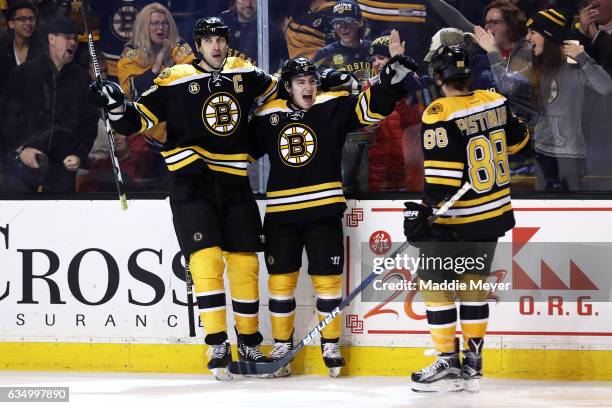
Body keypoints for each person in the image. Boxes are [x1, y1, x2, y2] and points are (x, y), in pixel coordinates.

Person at [90, 17, 279, 380]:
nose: (217, 46)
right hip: (192, 184)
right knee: (207, 264)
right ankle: (217, 342)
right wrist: (114, 103)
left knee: (245, 266)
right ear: (198, 45)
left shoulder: (246, 72)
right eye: (209, 40)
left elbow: (279, 95)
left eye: (221, 39)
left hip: (235, 182)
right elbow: (134, 120)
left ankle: (250, 342)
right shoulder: (174, 79)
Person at [248, 30, 415, 378]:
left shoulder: (332, 107)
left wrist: (395, 68)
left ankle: (330, 344)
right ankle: (282, 345)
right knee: (281, 284)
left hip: (324, 211)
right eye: (300, 82)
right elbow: (239, 151)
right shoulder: (268, 115)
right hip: (281, 215)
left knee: (328, 283)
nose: (307, 87)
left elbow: (374, 107)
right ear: (287, 86)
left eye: (312, 80)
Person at [403, 44, 530, 392]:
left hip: (460, 221)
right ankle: (473, 362)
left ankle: (447, 359)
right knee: (473, 285)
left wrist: (422, 211)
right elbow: (520, 141)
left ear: (439, 76)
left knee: (436, 285)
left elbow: (442, 183)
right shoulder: (494, 101)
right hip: (493, 215)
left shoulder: (440, 112)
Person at [476, 8, 612, 190]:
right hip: (540, 154)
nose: (527, 38)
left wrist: (582, 56)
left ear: (548, 36)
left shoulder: (574, 65)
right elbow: (506, 86)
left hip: (570, 156)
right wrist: (492, 52)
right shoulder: (535, 67)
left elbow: (605, 86)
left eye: (533, 33)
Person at [1, 15, 98, 193]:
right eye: (67, 37)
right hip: (22, 164)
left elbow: (89, 122)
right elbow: (7, 118)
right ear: (51, 39)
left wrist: (79, 153)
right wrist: (20, 149)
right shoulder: (23, 74)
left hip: (62, 168)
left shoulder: (82, 79)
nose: (73, 42)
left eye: (75, 38)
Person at [366, 34, 424, 192]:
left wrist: (394, 93)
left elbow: (417, 120)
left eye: (381, 57)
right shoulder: (368, 89)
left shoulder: (414, 85)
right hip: (378, 178)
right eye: (373, 60)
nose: (376, 63)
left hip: (409, 176)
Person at [117, 2, 194, 101]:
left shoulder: (180, 47)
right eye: (155, 23)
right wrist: (156, 67)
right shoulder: (131, 53)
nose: (161, 28)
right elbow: (131, 93)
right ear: (144, 27)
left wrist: (169, 64)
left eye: (165, 23)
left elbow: (191, 82)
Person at [577, 0, 612, 188]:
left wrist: (594, 34)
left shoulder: (599, 34)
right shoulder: (582, 30)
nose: (594, 3)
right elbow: (570, 62)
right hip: (588, 121)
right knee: (594, 179)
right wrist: (582, 31)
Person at [79, 132, 156, 192]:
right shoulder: (101, 164)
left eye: (122, 133)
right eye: (113, 133)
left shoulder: (141, 161)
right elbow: (87, 190)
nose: (116, 137)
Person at [0, 1, 44, 93]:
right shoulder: (4, 50)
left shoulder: (44, 49)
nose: (28, 23)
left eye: (31, 19)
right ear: (11, 24)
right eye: (22, 19)